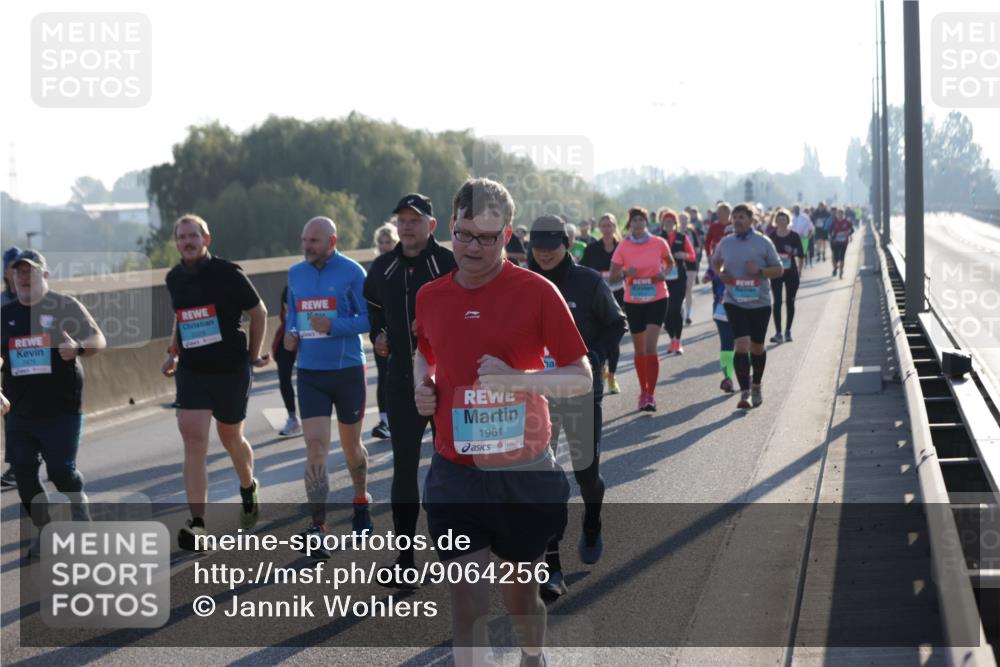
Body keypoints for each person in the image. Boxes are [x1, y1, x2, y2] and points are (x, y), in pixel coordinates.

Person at [414, 178, 591, 667]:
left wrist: (518, 380)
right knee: (466, 602)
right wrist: (422, 386)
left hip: (523, 470)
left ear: (507, 235)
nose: (472, 247)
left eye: (486, 238)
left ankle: (533, 657)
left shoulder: (537, 292)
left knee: (521, 599)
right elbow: (424, 352)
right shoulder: (430, 296)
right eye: (464, 233)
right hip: (456, 470)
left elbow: (580, 377)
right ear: (450, 226)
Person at [527, 214, 625, 598]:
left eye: (552, 245)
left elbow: (616, 323)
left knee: (586, 475)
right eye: (538, 246)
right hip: (538, 395)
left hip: (582, 390)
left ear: (567, 244)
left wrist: (596, 356)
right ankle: (551, 566)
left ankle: (593, 519)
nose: (545, 253)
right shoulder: (523, 283)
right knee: (546, 479)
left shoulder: (588, 281)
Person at [363, 193, 456, 585]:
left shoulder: (448, 262)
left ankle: (457, 554)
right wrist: (379, 335)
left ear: (431, 225)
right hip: (401, 378)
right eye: (401, 220)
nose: (406, 227)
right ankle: (405, 560)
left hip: (449, 379)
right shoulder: (382, 267)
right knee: (403, 468)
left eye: (414, 220)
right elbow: (375, 312)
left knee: (452, 466)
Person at [162, 215, 267, 550]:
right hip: (192, 371)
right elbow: (182, 317)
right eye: (182, 236)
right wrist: (173, 352)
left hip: (230, 369)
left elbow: (260, 311)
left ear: (206, 239)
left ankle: (248, 486)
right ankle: (198, 524)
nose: (188, 241)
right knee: (194, 441)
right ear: (176, 242)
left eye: (194, 235)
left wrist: (253, 354)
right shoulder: (174, 277)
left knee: (230, 437)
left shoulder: (228, 273)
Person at [2, 249, 107, 556]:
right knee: (23, 472)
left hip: (62, 408)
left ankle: (80, 512)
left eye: (29, 271)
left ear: (44, 275)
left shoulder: (64, 306)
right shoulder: (5, 315)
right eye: (18, 272)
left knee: (61, 472)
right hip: (20, 411)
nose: (23, 277)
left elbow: (98, 339)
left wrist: (77, 347)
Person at [285, 216, 372, 557]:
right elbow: (292, 313)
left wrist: (334, 326)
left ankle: (361, 500)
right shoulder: (295, 274)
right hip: (310, 373)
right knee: (316, 447)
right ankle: (318, 526)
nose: (307, 246)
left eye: (314, 242)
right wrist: (292, 333)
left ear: (332, 242)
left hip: (347, 370)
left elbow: (369, 318)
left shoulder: (353, 272)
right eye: (304, 240)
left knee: (352, 450)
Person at [711, 204, 783, 409]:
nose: (737, 221)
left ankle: (757, 384)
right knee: (741, 345)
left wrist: (759, 271)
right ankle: (745, 393)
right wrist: (720, 273)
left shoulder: (763, 242)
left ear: (751, 220)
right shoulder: (726, 243)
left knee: (757, 347)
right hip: (734, 302)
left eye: (742, 217)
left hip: (760, 303)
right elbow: (715, 262)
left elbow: (778, 270)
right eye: (735, 218)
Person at [609, 207, 674, 411]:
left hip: (657, 298)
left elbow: (670, 263)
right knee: (639, 350)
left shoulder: (658, 242)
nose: (638, 224)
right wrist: (626, 272)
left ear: (646, 223)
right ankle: (642, 389)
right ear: (629, 225)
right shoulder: (623, 246)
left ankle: (649, 395)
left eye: (641, 220)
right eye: (634, 221)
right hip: (634, 301)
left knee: (650, 347)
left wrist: (664, 273)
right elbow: (612, 277)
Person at [581, 213, 625, 394]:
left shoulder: (622, 248)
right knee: (599, 336)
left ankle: (612, 375)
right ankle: (602, 369)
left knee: (614, 340)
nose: (607, 229)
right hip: (597, 299)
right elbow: (583, 270)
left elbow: (631, 268)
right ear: (599, 228)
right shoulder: (592, 249)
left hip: (619, 296)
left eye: (610, 225)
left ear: (615, 228)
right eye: (604, 225)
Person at [370, 222, 400, 440]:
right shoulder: (375, 268)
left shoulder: (404, 264)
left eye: (388, 241)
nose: (384, 246)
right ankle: (385, 420)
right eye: (380, 242)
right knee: (384, 376)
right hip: (382, 332)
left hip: (404, 332)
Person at [659, 210, 696, 354]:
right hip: (663, 278)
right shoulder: (658, 238)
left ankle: (678, 341)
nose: (668, 224)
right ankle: (671, 339)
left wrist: (684, 255)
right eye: (666, 222)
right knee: (666, 311)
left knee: (676, 308)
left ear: (675, 223)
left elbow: (692, 256)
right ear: (663, 224)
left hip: (679, 277)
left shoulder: (682, 237)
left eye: (671, 222)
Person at [766, 208, 805, 343]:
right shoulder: (772, 236)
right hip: (776, 272)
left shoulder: (794, 236)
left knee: (790, 301)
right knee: (777, 302)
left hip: (791, 272)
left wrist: (792, 251)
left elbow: (801, 254)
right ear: (775, 221)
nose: (782, 222)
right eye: (779, 219)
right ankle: (778, 333)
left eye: (784, 219)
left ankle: (788, 331)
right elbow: (766, 254)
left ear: (788, 221)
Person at [1, 246, 22, 490]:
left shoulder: (37, 298)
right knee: (12, 417)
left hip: (38, 370)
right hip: (11, 370)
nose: (17, 274)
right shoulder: (1, 303)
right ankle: (16, 466)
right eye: (12, 268)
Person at [272, 284, 300, 437]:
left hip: (310, 335)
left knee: (308, 378)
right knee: (284, 377)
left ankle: (313, 417)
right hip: (287, 336)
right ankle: (292, 417)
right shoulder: (289, 287)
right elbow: (286, 315)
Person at [703, 265, 736, 392]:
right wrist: (708, 276)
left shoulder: (750, 249)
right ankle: (728, 378)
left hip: (746, 302)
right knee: (727, 343)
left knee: (745, 342)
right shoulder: (721, 253)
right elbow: (710, 273)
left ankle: (747, 376)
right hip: (722, 304)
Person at [680, 212, 702, 325]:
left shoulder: (692, 232)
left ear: (688, 221)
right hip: (677, 264)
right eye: (681, 219)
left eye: (685, 219)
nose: (683, 222)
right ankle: (680, 311)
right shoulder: (674, 233)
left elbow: (698, 249)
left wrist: (688, 252)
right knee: (679, 290)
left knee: (688, 288)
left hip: (690, 263)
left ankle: (688, 314)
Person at [829, 207, 854, 279]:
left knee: (842, 257)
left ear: (843, 214)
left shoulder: (847, 221)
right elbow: (830, 231)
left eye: (841, 214)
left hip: (844, 242)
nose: (840, 215)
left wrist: (848, 233)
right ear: (836, 215)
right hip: (836, 242)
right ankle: (835, 268)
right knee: (835, 257)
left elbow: (852, 230)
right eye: (838, 214)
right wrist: (833, 235)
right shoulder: (834, 222)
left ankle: (841, 271)